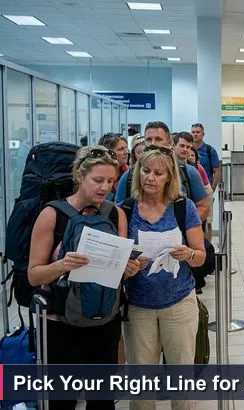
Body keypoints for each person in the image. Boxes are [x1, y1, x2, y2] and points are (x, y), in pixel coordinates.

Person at [27, 146, 144, 410]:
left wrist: (129, 268)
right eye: (98, 180)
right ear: (80, 176)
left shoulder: (116, 214)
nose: (105, 188)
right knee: (63, 401)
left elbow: (119, 267)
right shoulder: (52, 215)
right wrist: (61, 265)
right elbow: (34, 275)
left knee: (102, 401)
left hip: (104, 320)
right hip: (61, 324)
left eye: (111, 181)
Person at [121, 146, 206, 410]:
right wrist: (127, 267)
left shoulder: (183, 207)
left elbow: (201, 256)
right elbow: (118, 260)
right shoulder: (124, 209)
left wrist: (188, 253)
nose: (151, 178)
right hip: (138, 306)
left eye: (158, 173)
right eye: (146, 171)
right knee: (142, 387)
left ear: (169, 177)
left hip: (178, 303)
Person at [115, 121, 210, 221]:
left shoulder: (189, 172)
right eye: (148, 139)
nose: (153, 143)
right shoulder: (129, 176)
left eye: (158, 139)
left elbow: (203, 206)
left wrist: (186, 227)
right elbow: (118, 212)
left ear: (170, 143)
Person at [191, 123, 222, 193]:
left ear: (203, 134)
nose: (195, 134)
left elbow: (217, 172)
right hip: (191, 190)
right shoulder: (188, 150)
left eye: (198, 132)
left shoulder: (210, 151)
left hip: (205, 189)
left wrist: (212, 189)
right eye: (193, 132)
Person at [98, 133, 130, 199]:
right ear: (108, 152)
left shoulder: (130, 173)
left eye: (126, 147)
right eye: (121, 149)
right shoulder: (96, 173)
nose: (126, 152)